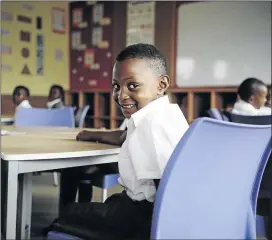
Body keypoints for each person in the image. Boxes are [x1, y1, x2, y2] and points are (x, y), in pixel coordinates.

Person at [47, 43, 189, 239]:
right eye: (116, 86)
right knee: (100, 205)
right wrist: (92, 134)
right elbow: (124, 136)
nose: (121, 95)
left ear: (161, 84)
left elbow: (167, 192)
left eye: (133, 85)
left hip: (144, 219)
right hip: (137, 207)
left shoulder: (150, 125)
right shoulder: (166, 114)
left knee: (68, 214)